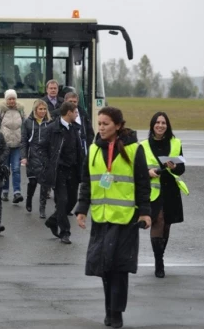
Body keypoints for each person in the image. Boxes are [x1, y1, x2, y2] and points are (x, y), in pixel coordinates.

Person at [75, 106, 152, 328]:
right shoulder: (93, 149)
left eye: (106, 123)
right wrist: (82, 209)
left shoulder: (134, 149)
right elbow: (87, 182)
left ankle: (116, 313)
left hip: (125, 218)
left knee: (119, 268)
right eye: (99, 123)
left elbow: (142, 184)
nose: (101, 127)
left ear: (118, 126)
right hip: (102, 218)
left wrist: (145, 213)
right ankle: (109, 307)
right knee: (104, 267)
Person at [140, 112, 188, 278]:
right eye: (157, 122)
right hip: (154, 192)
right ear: (152, 125)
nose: (160, 125)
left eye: (163, 123)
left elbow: (182, 169)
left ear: (167, 126)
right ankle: (158, 261)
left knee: (166, 225)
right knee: (158, 221)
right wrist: (149, 171)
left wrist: (174, 167)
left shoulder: (175, 143)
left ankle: (161, 254)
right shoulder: (144, 145)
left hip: (171, 191)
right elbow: (137, 169)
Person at [37, 102, 84, 244]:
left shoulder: (75, 128)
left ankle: (53, 220)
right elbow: (41, 148)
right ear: (68, 112)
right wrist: (48, 163)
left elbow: (79, 150)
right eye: (75, 112)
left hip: (73, 170)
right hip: (59, 171)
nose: (77, 115)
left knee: (72, 200)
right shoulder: (53, 128)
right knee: (62, 201)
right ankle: (65, 232)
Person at [20, 99, 52, 218]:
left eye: (44, 109)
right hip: (32, 154)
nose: (43, 111)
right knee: (33, 181)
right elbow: (24, 141)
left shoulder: (50, 123)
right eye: (40, 109)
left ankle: (42, 208)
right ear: (35, 110)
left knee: (44, 183)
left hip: (45, 156)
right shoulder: (27, 122)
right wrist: (24, 156)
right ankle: (29, 199)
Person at [0, 89, 25, 203]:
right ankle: (5, 191)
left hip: (17, 145)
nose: (12, 101)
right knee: (5, 169)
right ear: (6, 99)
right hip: (5, 145)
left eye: (13, 98)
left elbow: (25, 125)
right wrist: (1, 136)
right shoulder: (1, 111)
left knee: (16, 169)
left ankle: (17, 192)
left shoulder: (21, 110)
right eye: (9, 98)